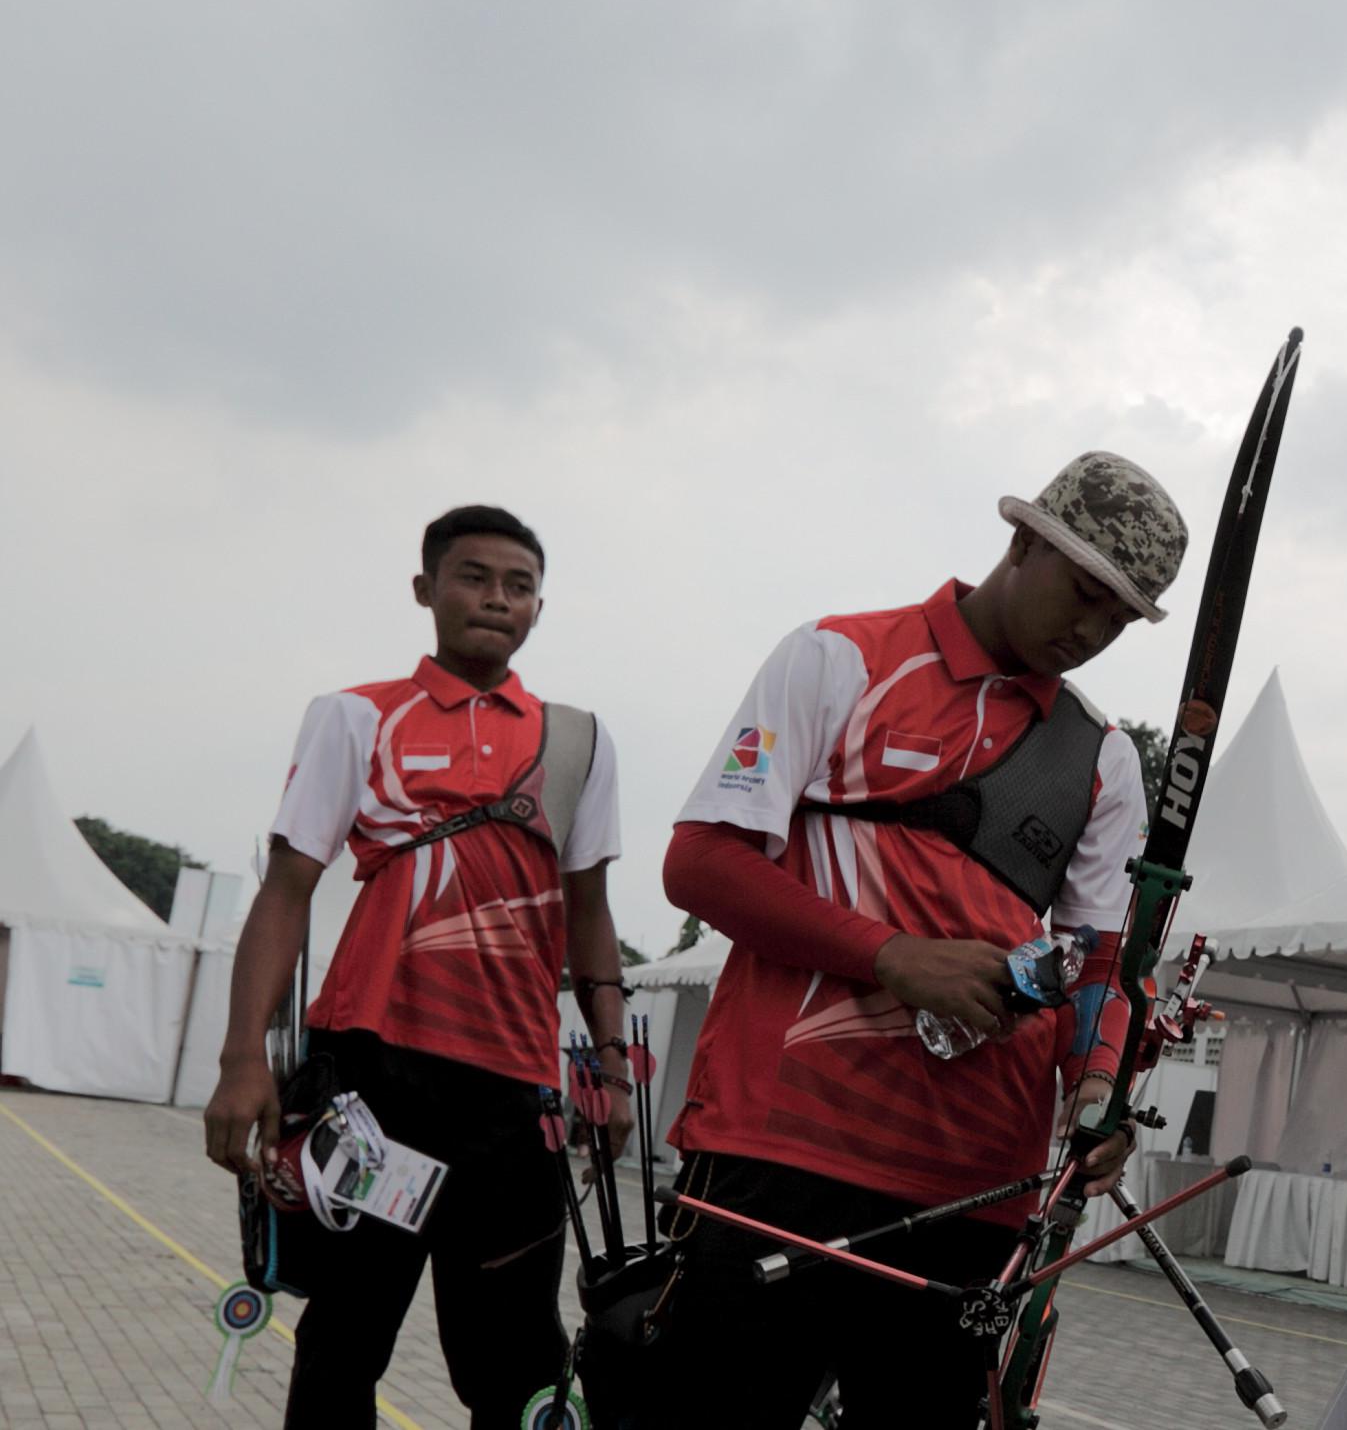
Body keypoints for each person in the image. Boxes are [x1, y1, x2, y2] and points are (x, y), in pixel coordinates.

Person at [638, 451, 1182, 1427]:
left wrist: (1098, 1085)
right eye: (1085, 594)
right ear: (1023, 541)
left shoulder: (1104, 756)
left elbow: (1100, 958)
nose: (1091, 630)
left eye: (1120, 617)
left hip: (975, 1194)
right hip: (780, 1153)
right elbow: (702, 863)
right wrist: (890, 953)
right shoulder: (838, 656)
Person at [203, 505, 628, 1430]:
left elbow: (590, 915)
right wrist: (244, 1061)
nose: (497, 600)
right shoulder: (356, 715)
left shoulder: (578, 742)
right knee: (346, 1338)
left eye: (519, 587)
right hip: (371, 1080)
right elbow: (287, 889)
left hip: (516, 1094)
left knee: (518, 1358)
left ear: (539, 607)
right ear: (426, 589)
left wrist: (611, 1067)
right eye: (474, 578)